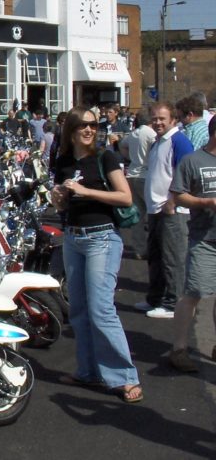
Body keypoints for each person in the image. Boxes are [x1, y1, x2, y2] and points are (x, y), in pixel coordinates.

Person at [50, 106, 142, 404]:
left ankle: (124, 377)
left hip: (102, 236)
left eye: (94, 125)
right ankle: (88, 370)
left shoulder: (105, 157)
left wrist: (87, 192)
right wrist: (59, 199)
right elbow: (64, 206)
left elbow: (125, 196)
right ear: (71, 130)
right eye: (83, 126)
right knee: (78, 309)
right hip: (74, 238)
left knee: (102, 309)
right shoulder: (63, 160)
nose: (90, 130)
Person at [166, 115, 216, 372]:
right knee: (193, 293)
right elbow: (178, 196)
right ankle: (179, 349)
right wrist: (206, 202)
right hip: (204, 239)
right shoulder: (193, 161)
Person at [139, 101, 194, 319]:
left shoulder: (179, 142)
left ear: (173, 119)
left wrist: (173, 201)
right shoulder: (157, 142)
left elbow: (186, 175)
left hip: (172, 211)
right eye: (154, 118)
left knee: (172, 259)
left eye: (162, 118)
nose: (158, 122)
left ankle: (172, 305)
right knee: (155, 257)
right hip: (155, 209)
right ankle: (155, 298)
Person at [118, 110, 155, 260]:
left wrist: (129, 157)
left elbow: (122, 145)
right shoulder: (151, 134)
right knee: (153, 213)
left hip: (132, 174)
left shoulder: (133, 134)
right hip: (146, 175)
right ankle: (154, 246)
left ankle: (140, 249)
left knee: (138, 215)